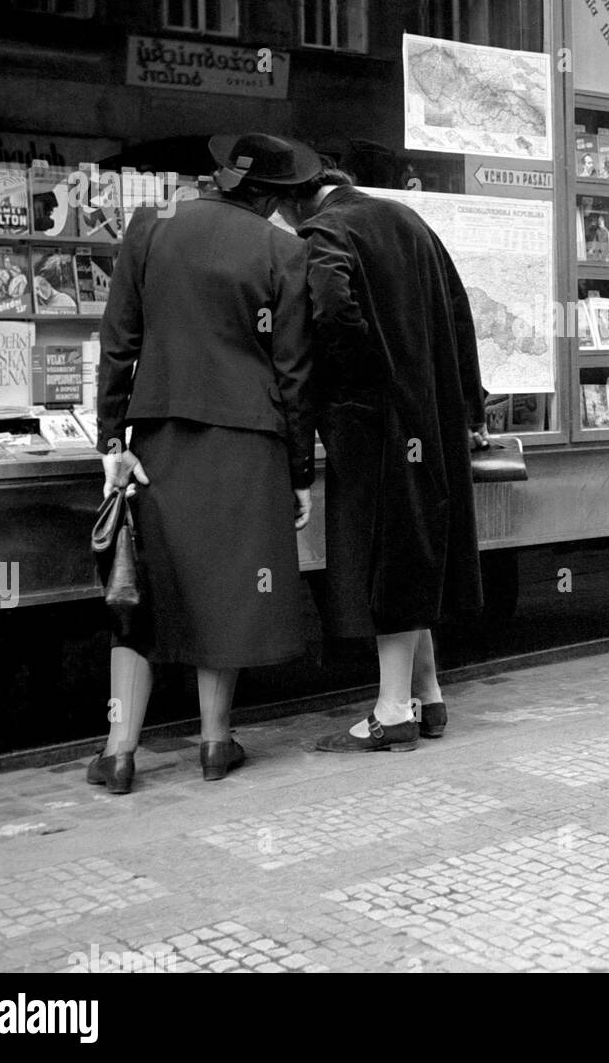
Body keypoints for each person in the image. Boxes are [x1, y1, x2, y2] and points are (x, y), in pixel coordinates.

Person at [89, 132, 318, 793]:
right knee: (224, 593)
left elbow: (118, 339)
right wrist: (299, 472)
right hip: (249, 441)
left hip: (159, 437)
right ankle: (216, 744)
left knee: (143, 591)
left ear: (222, 176)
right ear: (272, 194)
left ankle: (120, 751)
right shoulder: (284, 249)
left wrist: (113, 441)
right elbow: (295, 373)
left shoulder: (150, 224)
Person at [277, 169, 488, 753]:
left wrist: (357, 381)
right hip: (431, 418)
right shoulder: (409, 221)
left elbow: (329, 310)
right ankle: (430, 694)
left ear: (300, 202)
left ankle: (392, 711)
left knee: (386, 557)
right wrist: (472, 407)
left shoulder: (325, 231)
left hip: (374, 424)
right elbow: (459, 311)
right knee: (413, 545)